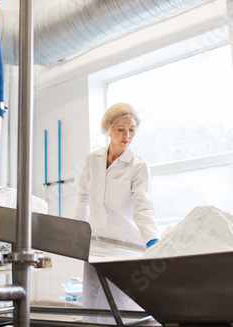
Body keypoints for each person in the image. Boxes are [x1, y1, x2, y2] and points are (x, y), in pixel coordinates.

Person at [74, 102, 160, 320]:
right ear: (108, 129)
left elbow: (143, 206)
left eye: (132, 129)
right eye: (121, 129)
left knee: (121, 305)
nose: (127, 135)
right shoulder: (92, 160)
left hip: (124, 246)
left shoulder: (138, 166)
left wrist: (152, 240)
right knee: (93, 301)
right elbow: (83, 196)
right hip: (95, 243)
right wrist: (77, 232)